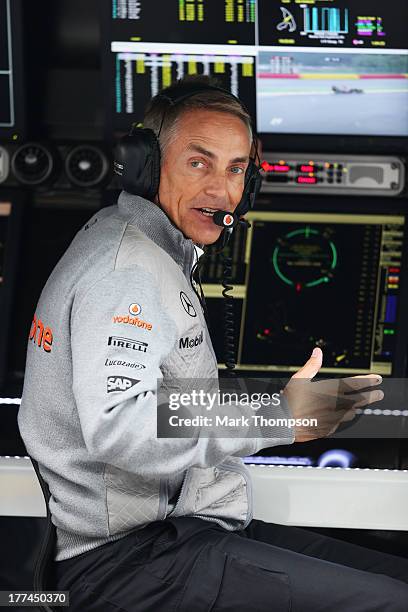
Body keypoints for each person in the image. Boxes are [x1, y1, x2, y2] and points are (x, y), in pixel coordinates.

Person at [18, 77, 408, 611]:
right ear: (146, 166)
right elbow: (118, 424)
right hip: (124, 566)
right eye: (199, 163)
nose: (222, 191)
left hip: (175, 539)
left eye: (236, 169)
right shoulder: (127, 270)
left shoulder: (141, 246)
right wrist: (277, 415)